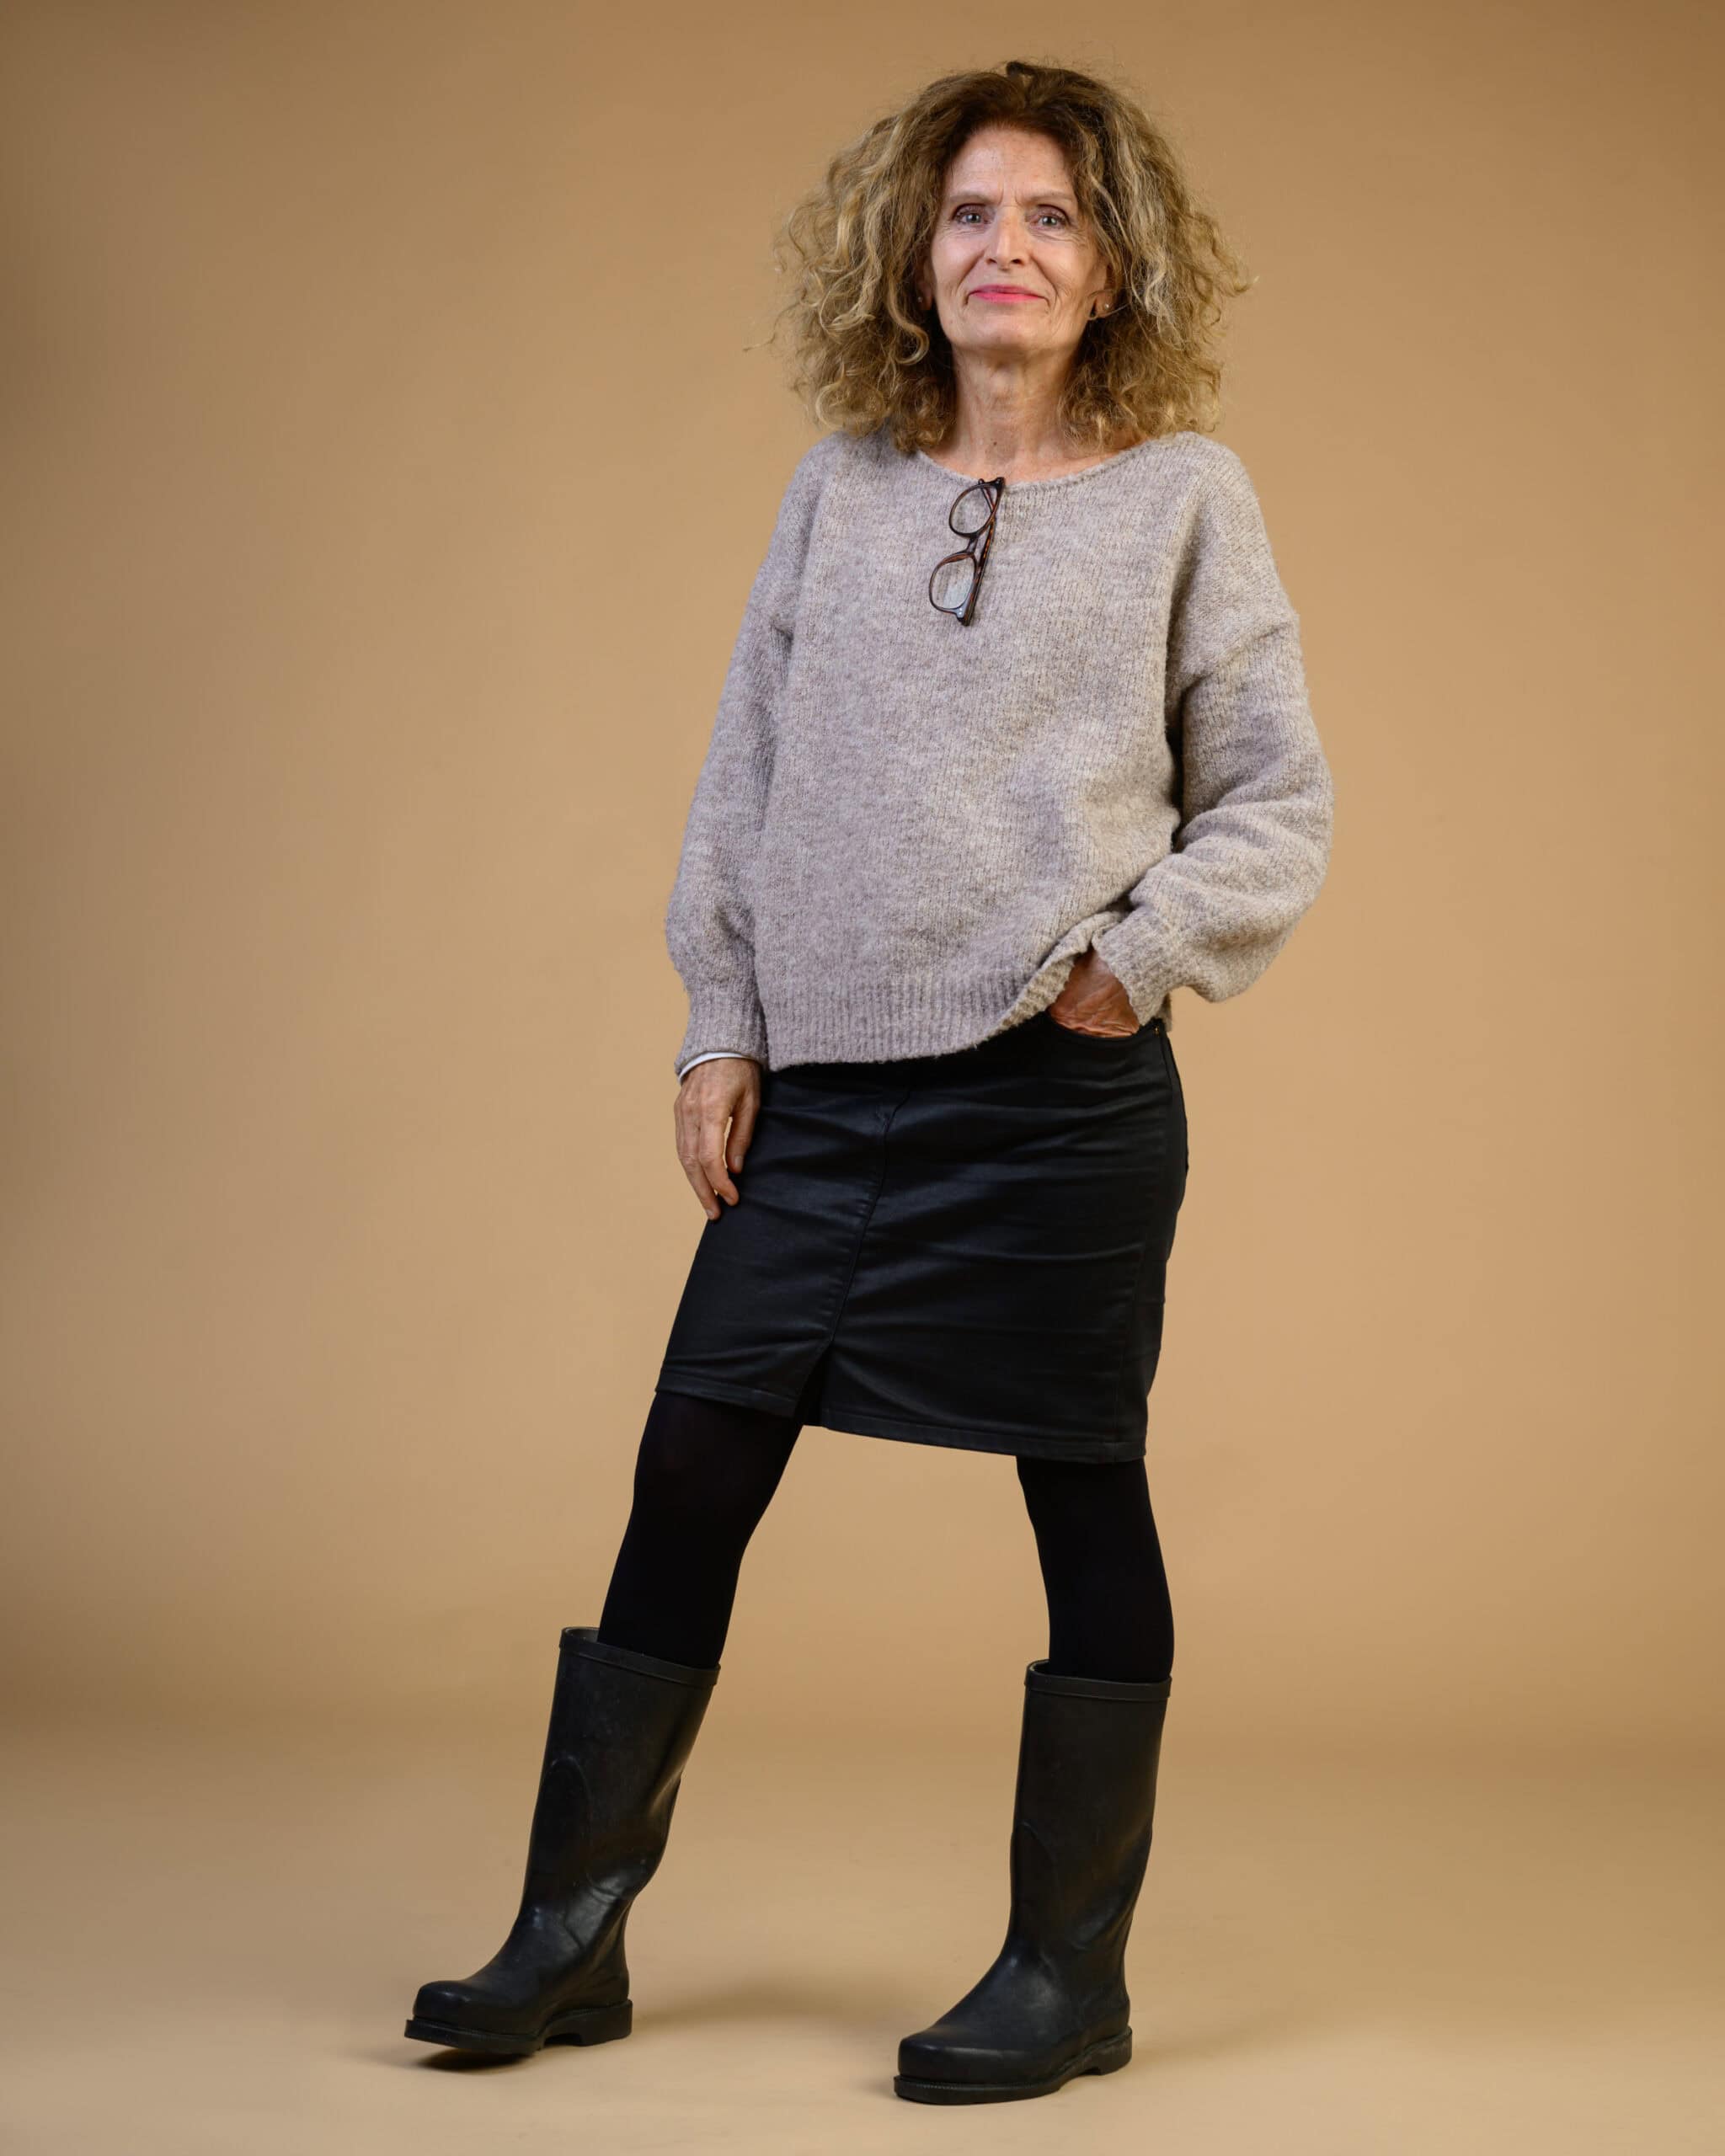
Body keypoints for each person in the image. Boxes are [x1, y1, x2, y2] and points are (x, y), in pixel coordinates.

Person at [404, 56, 1334, 2105]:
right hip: (823, 1095)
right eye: (971, 215)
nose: (1007, 249)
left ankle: (1065, 1974)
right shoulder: (837, 489)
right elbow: (740, 776)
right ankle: (569, 1936)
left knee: (1082, 1487)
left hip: (1051, 1100)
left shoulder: (1186, 496)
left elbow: (1275, 799)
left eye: (1051, 217)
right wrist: (718, 1022)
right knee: (689, 1471)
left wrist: (1127, 966)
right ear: (914, 260)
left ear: (1111, 268)